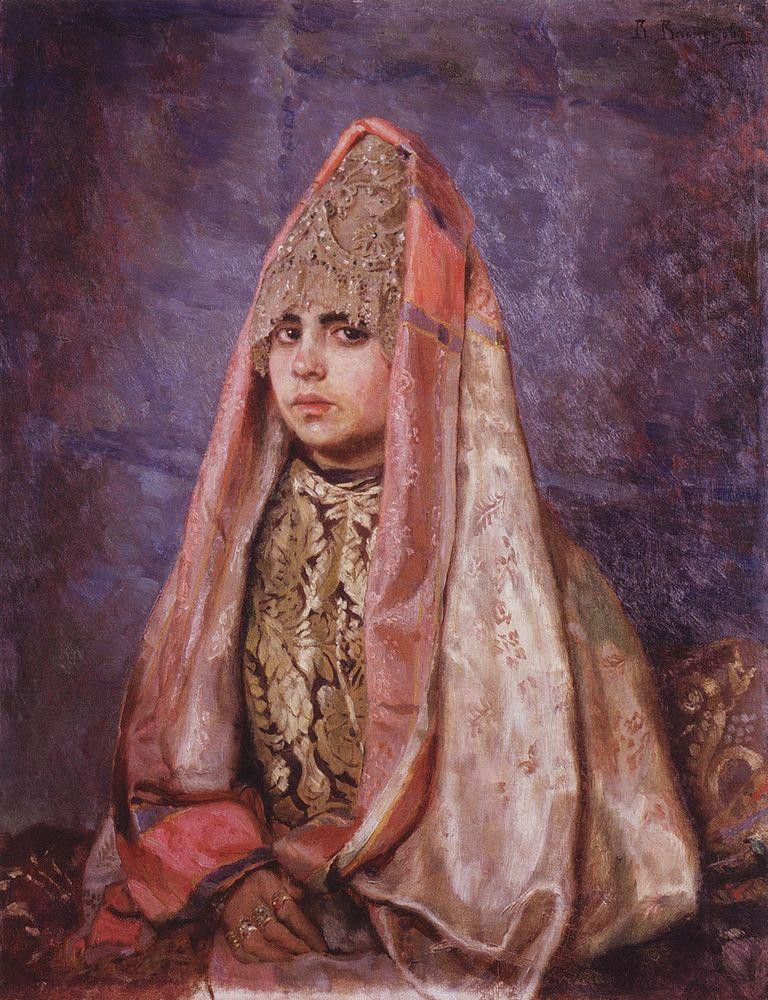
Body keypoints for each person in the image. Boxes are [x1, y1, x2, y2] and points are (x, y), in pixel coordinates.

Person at [75, 118, 700, 999]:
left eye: (347, 331)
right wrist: (236, 876)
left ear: (417, 349)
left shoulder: (510, 566)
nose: (305, 364)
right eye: (286, 332)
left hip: (430, 904)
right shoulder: (238, 537)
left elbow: (511, 828)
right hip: (272, 886)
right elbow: (184, 762)